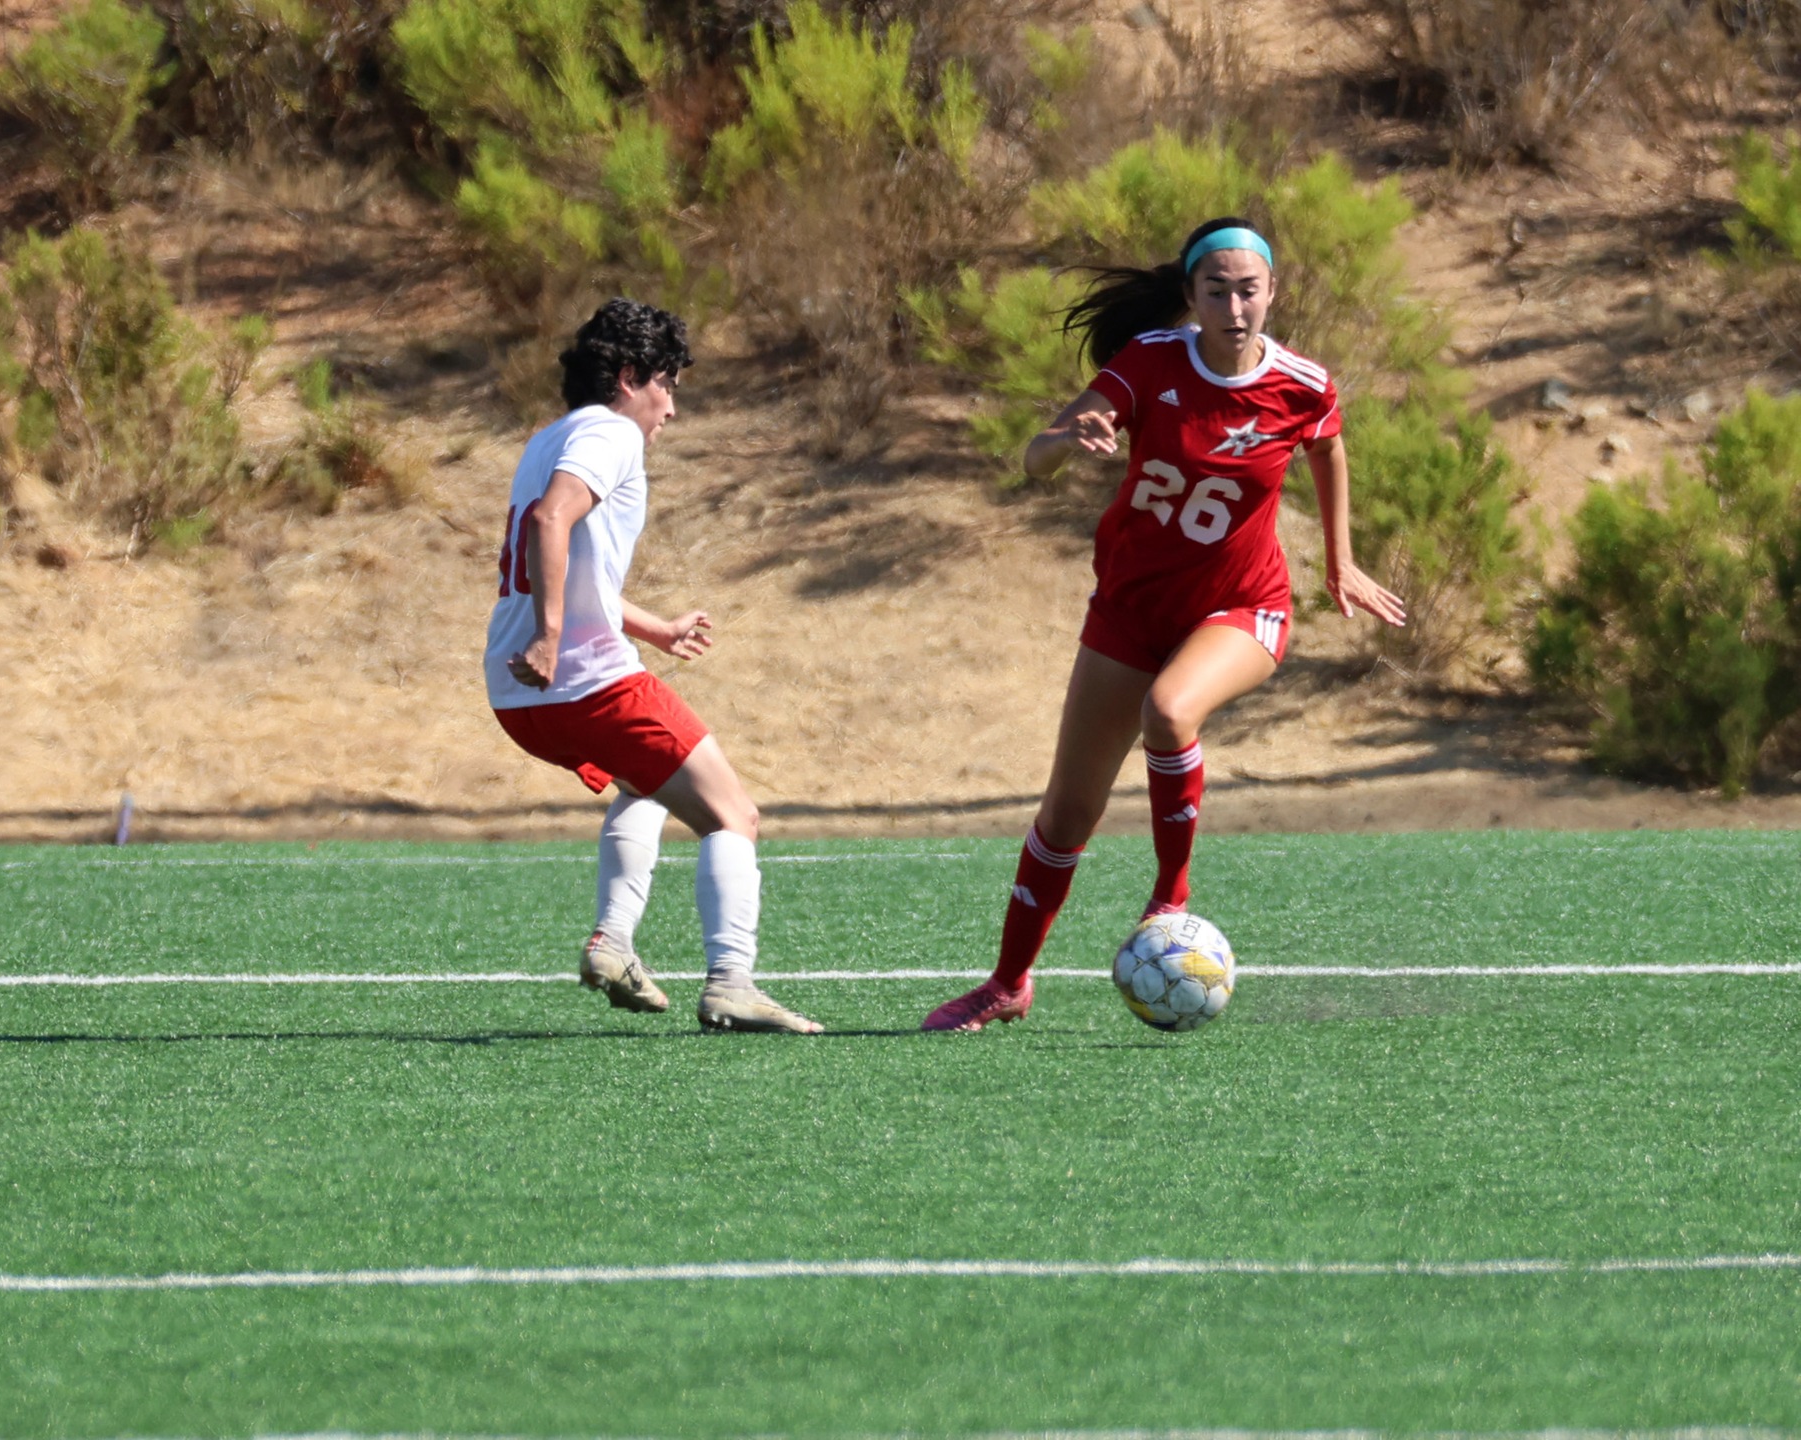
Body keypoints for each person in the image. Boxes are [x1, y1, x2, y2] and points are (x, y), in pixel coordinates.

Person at [922, 218, 1407, 1034]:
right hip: (1130, 609)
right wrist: (1066, 440)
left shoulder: (1302, 384)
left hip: (1242, 607)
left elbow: (1326, 448)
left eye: (1247, 288)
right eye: (1215, 289)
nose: (1233, 304)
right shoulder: (1148, 361)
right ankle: (1006, 984)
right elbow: (1031, 459)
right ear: (1191, 297)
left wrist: (1339, 559)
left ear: (1272, 293)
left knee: (1171, 711)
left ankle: (1168, 896)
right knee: (1065, 816)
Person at [488, 298, 821, 1035]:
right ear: (631, 376)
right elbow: (551, 521)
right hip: (579, 680)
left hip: (520, 699)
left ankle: (612, 943)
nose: (670, 408)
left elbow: (568, 561)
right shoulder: (609, 432)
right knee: (734, 815)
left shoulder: (548, 437)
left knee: (644, 782)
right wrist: (549, 638)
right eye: (667, 384)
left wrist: (655, 628)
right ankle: (732, 981)